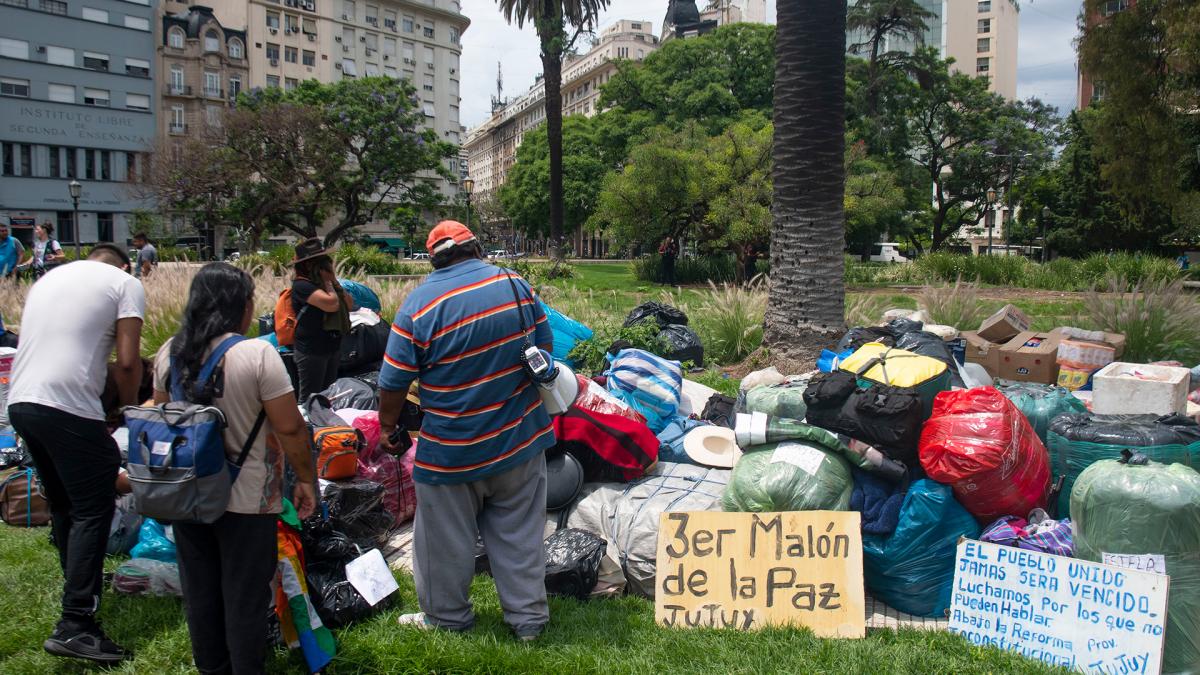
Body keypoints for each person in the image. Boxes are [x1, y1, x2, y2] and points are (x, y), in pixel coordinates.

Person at [377, 221, 554, 641]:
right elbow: (545, 350)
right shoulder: (515, 285)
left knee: (444, 545)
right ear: (476, 247)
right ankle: (528, 621)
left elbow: (393, 382)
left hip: (451, 454)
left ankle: (447, 618)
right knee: (521, 536)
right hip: (519, 440)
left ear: (433, 259)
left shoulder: (417, 306)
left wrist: (387, 427)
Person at [151, 263, 317, 675]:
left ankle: (213, 668)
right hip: (246, 499)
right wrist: (308, 481)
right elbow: (291, 428)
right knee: (244, 595)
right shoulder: (257, 354)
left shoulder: (169, 353)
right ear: (240, 306)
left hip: (186, 496)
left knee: (200, 590)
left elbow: (158, 416)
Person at [6, 244, 144, 664]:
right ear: (123, 264)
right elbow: (127, 360)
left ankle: (79, 585)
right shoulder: (126, 283)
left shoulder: (49, 279)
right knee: (94, 505)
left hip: (21, 402)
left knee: (65, 503)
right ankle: (76, 623)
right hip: (67, 404)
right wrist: (125, 408)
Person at [290, 239, 352, 400]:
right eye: (320, 262)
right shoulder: (301, 286)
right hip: (311, 350)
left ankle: (324, 425)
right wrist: (328, 283)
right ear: (308, 265)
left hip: (331, 346)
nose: (325, 265)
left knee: (328, 396)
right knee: (310, 397)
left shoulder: (327, 286)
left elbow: (350, 304)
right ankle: (308, 425)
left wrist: (334, 281)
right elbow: (331, 304)